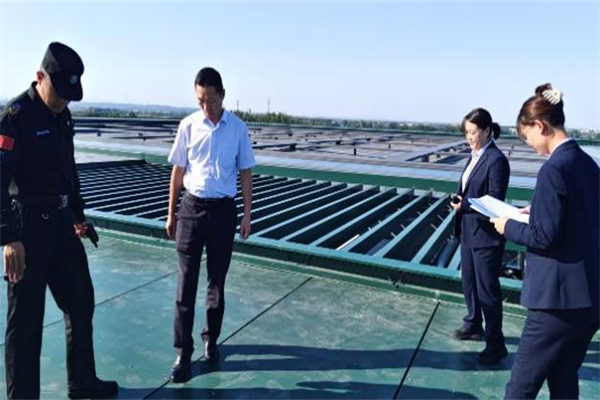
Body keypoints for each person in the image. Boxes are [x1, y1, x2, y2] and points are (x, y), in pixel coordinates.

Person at [0, 42, 119, 399]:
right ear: (40, 77)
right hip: (27, 230)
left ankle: (82, 381)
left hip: (62, 223)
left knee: (81, 300)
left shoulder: (63, 115)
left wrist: (79, 216)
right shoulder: (15, 118)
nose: (64, 101)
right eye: (59, 93)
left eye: (70, 96)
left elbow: (69, 169)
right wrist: (8, 237)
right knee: (26, 322)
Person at [491, 84, 599, 399]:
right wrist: (538, 209)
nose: (530, 146)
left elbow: (544, 237)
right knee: (564, 379)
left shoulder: (553, 169)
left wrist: (507, 225)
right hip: (588, 298)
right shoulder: (587, 163)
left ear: (541, 126)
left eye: (528, 138)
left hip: (556, 302)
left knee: (521, 387)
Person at [166, 67, 255, 383]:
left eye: (211, 101)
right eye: (200, 101)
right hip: (192, 209)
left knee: (217, 282)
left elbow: (246, 172)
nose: (206, 107)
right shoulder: (188, 126)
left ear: (223, 95)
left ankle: (210, 339)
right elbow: (178, 171)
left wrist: (247, 214)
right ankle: (182, 352)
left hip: (223, 212)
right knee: (185, 284)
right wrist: (171, 213)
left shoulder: (238, 129)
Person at [451, 108, 510, 364]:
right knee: (470, 284)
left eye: (473, 132)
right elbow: (469, 189)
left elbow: (494, 200)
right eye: (467, 132)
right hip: (469, 231)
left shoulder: (496, 160)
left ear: (486, 131)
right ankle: (473, 324)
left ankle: (496, 345)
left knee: (488, 291)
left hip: (486, 236)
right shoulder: (475, 156)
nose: (469, 137)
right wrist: (460, 200)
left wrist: (464, 205)